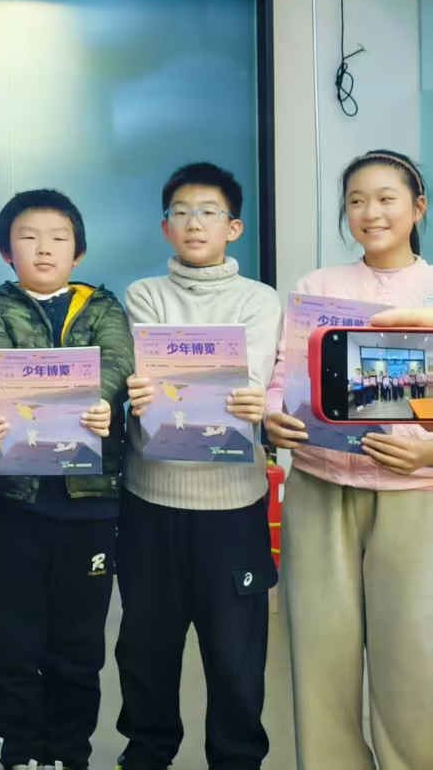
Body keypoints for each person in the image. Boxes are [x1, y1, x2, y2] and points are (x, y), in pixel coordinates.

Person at [264, 149, 433, 770]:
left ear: (418, 208)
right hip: (320, 487)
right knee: (320, 657)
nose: (371, 212)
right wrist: (273, 416)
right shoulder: (318, 287)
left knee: (415, 659)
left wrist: (429, 449)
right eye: (357, 200)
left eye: (387, 198)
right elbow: (285, 375)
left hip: (416, 496)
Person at [113, 164, 279, 770]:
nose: (193, 223)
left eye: (209, 212)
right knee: (145, 646)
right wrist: (204, 375)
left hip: (233, 503)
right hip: (150, 497)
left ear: (234, 227)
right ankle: (147, 752)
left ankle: (237, 759)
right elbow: (151, 374)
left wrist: (181, 376)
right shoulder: (144, 294)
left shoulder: (260, 300)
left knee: (235, 653)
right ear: (165, 227)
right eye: (180, 212)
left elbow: (246, 380)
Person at [0, 189, 131, 770]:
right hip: (13, 499)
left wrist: (100, 397)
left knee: (79, 641)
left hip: (91, 501)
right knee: (12, 635)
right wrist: (2, 401)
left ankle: (68, 751)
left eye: (58, 238)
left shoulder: (105, 306)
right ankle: (18, 748)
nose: (43, 248)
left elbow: (117, 362)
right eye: (28, 237)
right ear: (6, 251)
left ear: (77, 252)